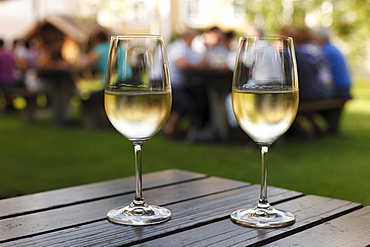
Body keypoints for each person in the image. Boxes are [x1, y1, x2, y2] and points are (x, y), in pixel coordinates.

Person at [163, 28, 206, 139]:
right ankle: (171, 130)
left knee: (199, 101)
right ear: (188, 36)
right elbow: (182, 63)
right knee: (184, 104)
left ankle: (184, 130)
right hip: (173, 85)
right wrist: (198, 65)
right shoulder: (177, 47)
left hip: (183, 85)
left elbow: (200, 61)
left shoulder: (189, 49)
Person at [36, 29, 76, 126]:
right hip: (46, 82)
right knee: (59, 95)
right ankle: (61, 118)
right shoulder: (49, 52)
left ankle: (64, 116)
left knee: (64, 91)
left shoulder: (60, 53)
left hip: (59, 81)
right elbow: (41, 65)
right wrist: (58, 65)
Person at [315, 27, 352, 99]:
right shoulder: (332, 47)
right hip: (344, 87)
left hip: (339, 88)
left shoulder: (325, 50)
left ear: (320, 38)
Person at [0, 39, 17, 113]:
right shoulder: (9, 54)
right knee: (8, 95)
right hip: (10, 79)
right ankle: (10, 108)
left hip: (1, 80)